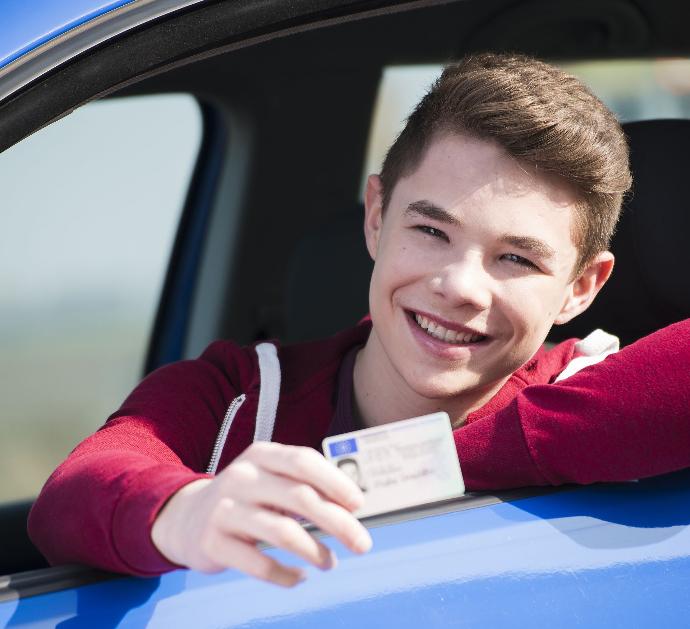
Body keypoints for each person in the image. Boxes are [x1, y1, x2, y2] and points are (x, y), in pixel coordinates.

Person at [28, 53, 690, 587]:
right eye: (431, 229)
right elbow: (73, 494)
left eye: (515, 257)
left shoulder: (594, 384)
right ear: (376, 215)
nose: (459, 285)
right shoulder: (238, 394)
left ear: (581, 287)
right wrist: (182, 508)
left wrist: (424, 468)